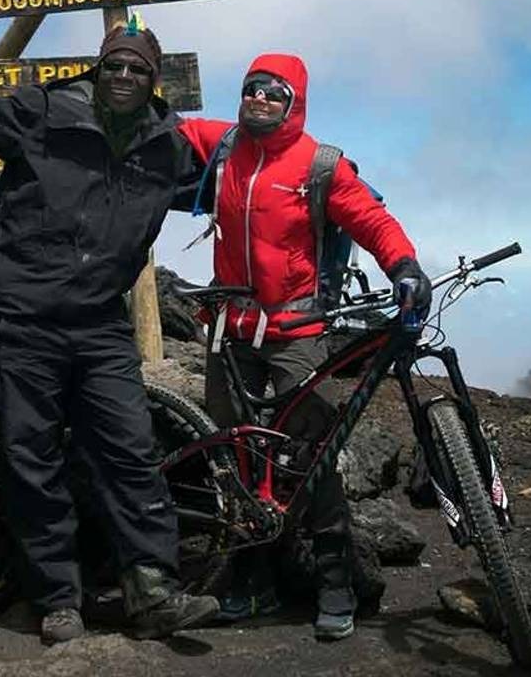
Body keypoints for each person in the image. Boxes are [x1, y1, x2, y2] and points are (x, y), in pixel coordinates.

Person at [0, 17, 219, 645]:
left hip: (101, 323)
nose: (123, 76)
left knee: (130, 449)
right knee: (31, 458)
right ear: (99, 68)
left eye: (137, 69)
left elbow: (241, 189)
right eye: (114, 65)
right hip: (24, 316)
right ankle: (56, 598)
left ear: (154, 81)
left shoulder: (168, 146)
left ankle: (152, 588)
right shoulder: (44, 109)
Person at [176, 53, 432, 641]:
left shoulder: (318, 165)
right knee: (237, 459)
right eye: (252, 88)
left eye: (275, 92)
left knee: (311, 457)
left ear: (296, 103)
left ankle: (335, 579)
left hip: (295, 334)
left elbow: (371, 219)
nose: (260, 99)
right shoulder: (223, 145)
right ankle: (250, 575)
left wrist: (405, 265)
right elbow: (163, 127)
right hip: (229, 330)